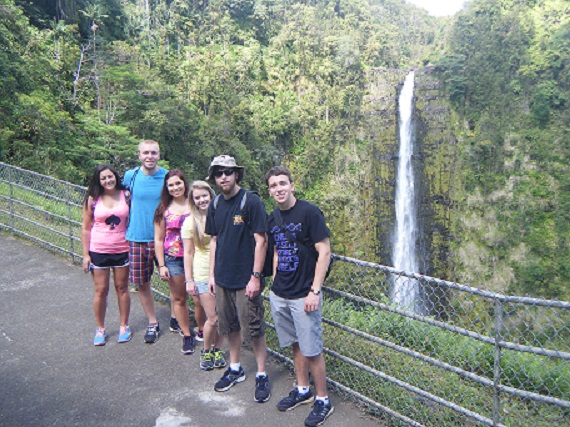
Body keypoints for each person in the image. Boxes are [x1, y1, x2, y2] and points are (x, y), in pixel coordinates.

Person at [265, 165, 334, 427]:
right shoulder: (272, 218)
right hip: (280, 293)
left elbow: (324, 251)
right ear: (269, 191)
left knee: (313, 349)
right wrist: (273, 283)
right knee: (296, 344)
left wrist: (315, 290)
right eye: (273, 185)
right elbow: (276, 252)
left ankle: (323, 400)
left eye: (283, 183)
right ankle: (303, 390)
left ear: (292, 185)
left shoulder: (309, 212)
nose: (278, 189)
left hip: (305, 294)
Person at [205, 155, 270, 402]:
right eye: (219, 173)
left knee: (253, 326)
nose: (224, 177)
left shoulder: (250, 201)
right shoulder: (215, 204)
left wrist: (255, 277)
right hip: (222, 278)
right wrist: (212, 274)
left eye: (228, 172)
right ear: (214, 177)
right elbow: (214, 240)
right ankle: (235, 368)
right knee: (228, 325)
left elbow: (260, 240)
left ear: (236, 175)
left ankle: (261, 373)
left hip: (246, 278)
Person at [81, 164, 132, 346]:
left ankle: (124, 326)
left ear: (116, 177)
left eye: (110, 177)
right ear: (99, 181)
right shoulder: (93, 199)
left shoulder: (126, 195)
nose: (108, 181)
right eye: (104, 178)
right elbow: (86, 228)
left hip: (122, 248)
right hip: (99, 250)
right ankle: (100, 328)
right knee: (101, 290)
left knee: (122, 288)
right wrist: (86, 255)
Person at [123, 140, 167, 343]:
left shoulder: (167, 177)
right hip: (137, 238)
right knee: (142, 283)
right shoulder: (131, 176)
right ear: (139, 155)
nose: (150, 156)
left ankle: (177, 318)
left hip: (166, 239)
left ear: (159, 155)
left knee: (176, 282)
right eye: (146, 153)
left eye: (154, 153)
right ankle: (152, 322)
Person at [182, 180, 226, 370]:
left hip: (223, 270)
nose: (201, 200)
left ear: (211, 194)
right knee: (213, 318)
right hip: (202, 272)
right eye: (197, 197)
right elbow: (188, 252)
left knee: (223, 317)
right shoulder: (190, 221)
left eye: (204, 196)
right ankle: (206, 350)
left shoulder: (221, 214)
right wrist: (189, 279)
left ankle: (218, 349)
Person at [154, 170, 196, 354]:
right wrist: (161, 265)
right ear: (166, 188)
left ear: (184, 183)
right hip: (173, 258)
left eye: (178, 183)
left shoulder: (195, 204)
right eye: (171, 185)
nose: (175, 187)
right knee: (179, 298)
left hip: (197, 257)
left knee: (198, 298)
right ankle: (186, 334)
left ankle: (204, 330)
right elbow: (158, 238)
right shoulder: (163, 209)